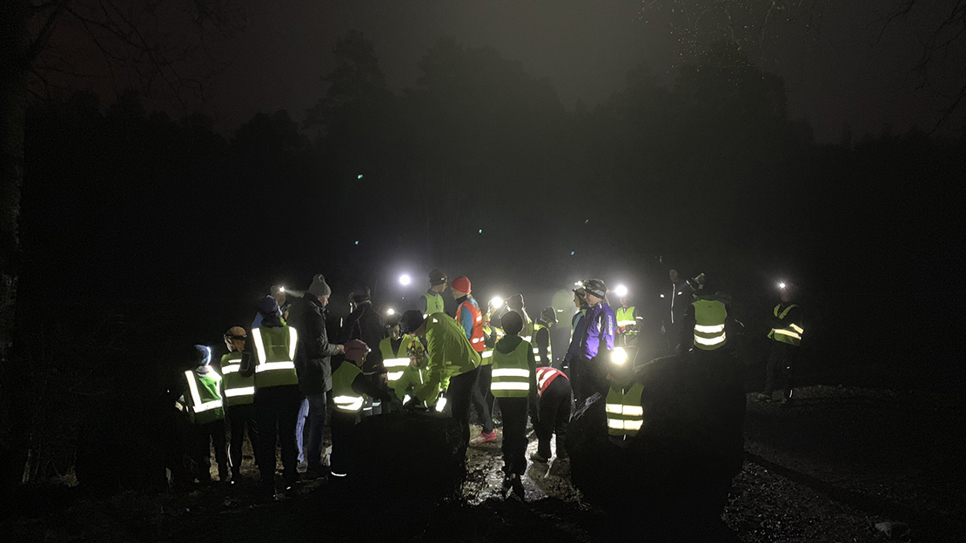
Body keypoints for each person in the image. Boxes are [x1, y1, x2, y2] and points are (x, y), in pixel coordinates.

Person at [242, 296, 303, 495]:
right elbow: (301, 363)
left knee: (267, 439)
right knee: (288, 435)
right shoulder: (292, 333)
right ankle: (291, 477)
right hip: (290, 391)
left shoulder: (255, 336)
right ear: (278, 311)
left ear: (261, 315)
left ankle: (268, 481)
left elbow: (246, 369)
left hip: (265, 393)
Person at [288, 274, 345, 478]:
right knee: (319, 418)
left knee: (300, 418)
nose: (328, 301)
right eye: (327, 297)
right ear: (320, 296)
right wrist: (338, 348)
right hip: (315, 373)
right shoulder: (313, 314)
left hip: (298, 371)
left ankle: (295, 458)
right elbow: (320, 347)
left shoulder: (295, 310)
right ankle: (313, 462)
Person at [398, 309, 482, 445]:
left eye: (410, 332)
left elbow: (435, 374)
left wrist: (418, 398)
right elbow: (459, 329)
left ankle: (460, 450)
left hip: (466, 369)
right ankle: (459, 443)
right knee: (457, 408)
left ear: (417, 326)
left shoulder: (434, 337)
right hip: (466, 363)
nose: (411, 336)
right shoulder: (438, 316)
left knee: (459, 413)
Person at [329, 340, 393, 478]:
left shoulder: (340, 369)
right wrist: (388, 397)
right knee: (349, 447)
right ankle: (347, 477)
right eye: (363, 356)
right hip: (349, 419)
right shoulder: (354, 373)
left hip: (337, 416)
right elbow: (370, 390)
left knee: (338, 447)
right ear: (356, 355)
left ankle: (335, 475)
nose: (364, 359)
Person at [490, 311, 537, 499]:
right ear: (520, 327)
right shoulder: (525, 346)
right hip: (520, 396)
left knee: (508, 431)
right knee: (519, 433)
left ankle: (507, 464)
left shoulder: (497, 346)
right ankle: (516, 470)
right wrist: (534, 400)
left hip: (503, 396)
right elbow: (532, 375)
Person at [451, 276, 496, 445]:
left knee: (474, 393)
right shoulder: (473, 304)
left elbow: (465, 333)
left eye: (454, 289)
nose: (453, 293)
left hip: (469, 354)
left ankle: (487, 429)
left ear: (462, 290)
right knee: (474, 392)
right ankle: (486, 427)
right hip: (476, 353)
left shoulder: (464, 307)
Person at [180, 344, 228, 484]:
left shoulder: (188, 376)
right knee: (220, 446)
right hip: (218, 416)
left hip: (200, 419)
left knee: (202, 449)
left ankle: (205, 477)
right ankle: (223, 473)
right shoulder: (215, 373)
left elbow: (185, 396)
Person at [339, 287, 388, 416]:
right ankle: (379, 425)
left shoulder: (354, 317)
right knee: (377, 398)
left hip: (362, 362)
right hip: (379, 362)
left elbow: (346, 340)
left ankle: (367, 428)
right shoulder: (380, 316)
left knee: (366, 399)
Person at [220, 326, 260, 484]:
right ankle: (263, 468)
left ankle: (235, 472)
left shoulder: (224, 360)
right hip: (251, 403)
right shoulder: (251, 358)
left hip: (234, 405)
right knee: (256, 437)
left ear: (230, 341)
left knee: (236, 439)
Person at [762, 283, 805, 404]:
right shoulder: (777, 307)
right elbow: (772, 321)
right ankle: (767, 394)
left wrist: (771, 321)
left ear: (792, 294)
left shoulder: (795, 309)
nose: (783, 294)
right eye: (782, 292)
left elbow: (781, 324)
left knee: (787, 371)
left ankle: (787, 396)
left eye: (786, 292)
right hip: (777, 343)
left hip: (789, 345)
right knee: (771, 368)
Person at [576, 279, 617, 403]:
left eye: (588, 294)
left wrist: (605, 368)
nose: (585, 297)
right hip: (586, 364)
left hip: (597, 368)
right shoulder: (591, 311)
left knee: (596, 403)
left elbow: (608, 342)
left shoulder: (606, 313)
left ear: (597, 294)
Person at [677, 273, 731, 355]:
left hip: (701, 352)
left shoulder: (694, 307)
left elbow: (686, 332)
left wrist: (683, 350)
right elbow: (730, 328)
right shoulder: (723, 306)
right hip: (721, 351)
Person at [379, 319, 415, 410]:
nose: (393, 334)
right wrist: (382, 374)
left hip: (408, 387)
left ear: (401, 329)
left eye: (395, 331)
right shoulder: (383, 344)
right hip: (391, 388)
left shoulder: (411, 341)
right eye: (390, 332)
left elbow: (418, 363)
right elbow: (381, 363)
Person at [661, 269, 689, 354]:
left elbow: (687, 303)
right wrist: (662, 323)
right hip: (668, 323)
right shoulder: (666, 287)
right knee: (670, 345)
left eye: (674, 272)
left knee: (681, 345)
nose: (672, 275)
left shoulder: (684, 285)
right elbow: (663, 307)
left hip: (681, 322)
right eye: (670, 273)